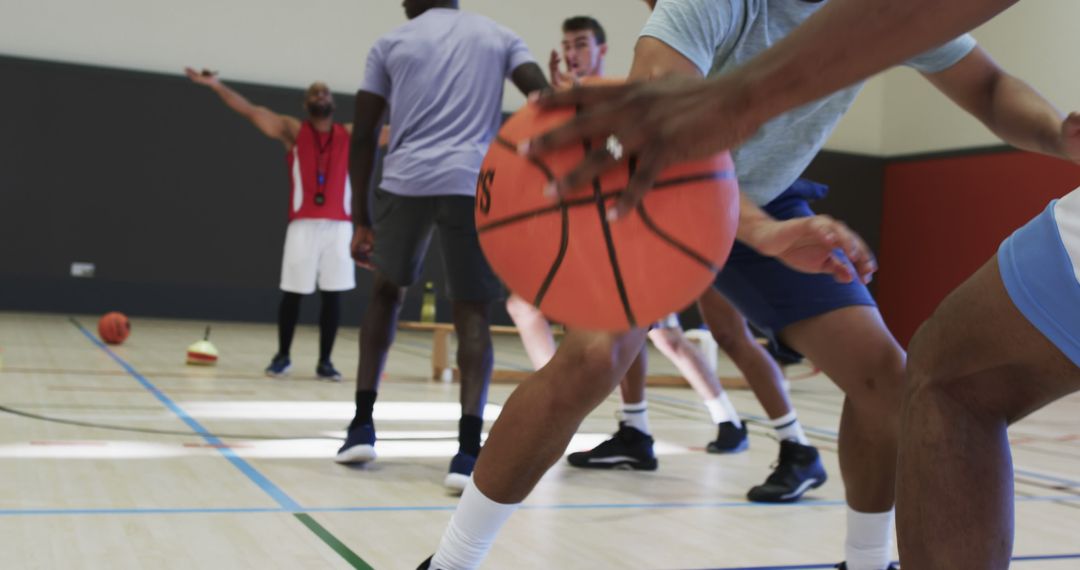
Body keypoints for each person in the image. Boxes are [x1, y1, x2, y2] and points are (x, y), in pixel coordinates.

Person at [526, 1, 1080, 568]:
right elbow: (652, 132)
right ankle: (457, 552)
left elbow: (988, 87)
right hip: (668, 200)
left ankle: (853, 543)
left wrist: (1057, 132)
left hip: (769, 204)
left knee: (883, 377)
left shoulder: (885, 14)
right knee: (595, 358)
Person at [508, 14, 826, 499]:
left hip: (715, 202)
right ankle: (640, 431)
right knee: (633, 322)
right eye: (566, 44)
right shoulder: (601, 87)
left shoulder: (650, 70)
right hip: (666, 214)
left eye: (580, 43)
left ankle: (794, 445)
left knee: (723, 334)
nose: (571, 52)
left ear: (601, 48)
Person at [334, 0, 548, 492]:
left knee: (386, 295)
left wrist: (361, 218)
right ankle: (467, 453)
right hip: (473, 184)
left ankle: (361, 427)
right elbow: (544, 98)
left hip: (405, 182)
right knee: (471, 313)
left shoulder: (390, 42)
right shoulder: (499, 35)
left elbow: (364, 135)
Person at [185, 68, 355, 382]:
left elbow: (393, 129)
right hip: (302, 225)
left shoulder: (349, 134)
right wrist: (216, 85)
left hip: (339, 227)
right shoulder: (292, 130)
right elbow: (250, 110)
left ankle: (326, 361)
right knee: (293, 293)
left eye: (325, 92)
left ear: (333, 102)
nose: (321, 95)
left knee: (334, 295)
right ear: (306, 104)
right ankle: (282, 356)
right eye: (315, 92)